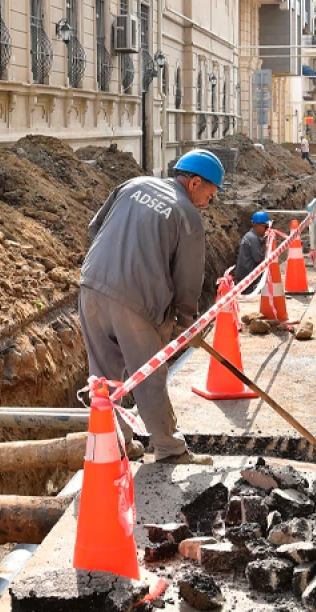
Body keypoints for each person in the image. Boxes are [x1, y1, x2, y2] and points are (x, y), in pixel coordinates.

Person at [79, 148, 223, 465]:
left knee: (103, 379)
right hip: (137, 301)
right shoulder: (188, 217)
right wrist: (186, 322)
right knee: (150, 378)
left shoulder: (133, 185)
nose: (208, 203)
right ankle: (170, 450)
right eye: (210, 195)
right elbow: (188, 280)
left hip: (90, 285)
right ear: (195, 183)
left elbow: (95, 227)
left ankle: (114, 446)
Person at [234, 210, 270, 287]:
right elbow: (259, 261)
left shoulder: (250, 236)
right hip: (248, 278)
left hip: (244, 275)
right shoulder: (253, 239)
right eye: (265, 227)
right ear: (257, 225)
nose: (267, 230)